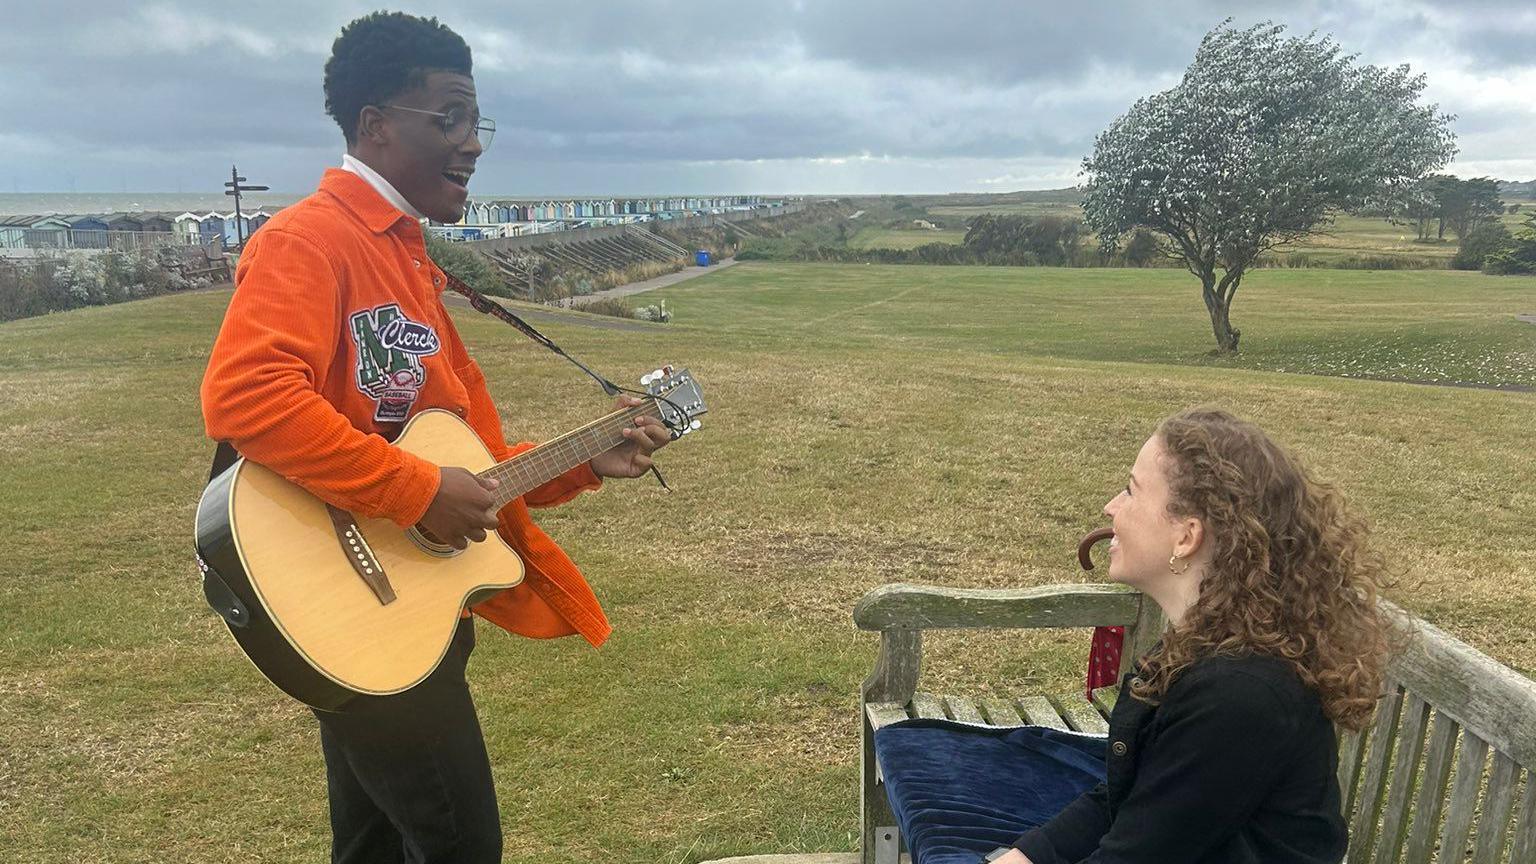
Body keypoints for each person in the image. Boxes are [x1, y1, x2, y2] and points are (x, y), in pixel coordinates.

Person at [199, 12, 672, 863]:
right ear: (376, 126)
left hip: (388, 605)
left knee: (374, 845)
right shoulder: (310, 242)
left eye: (475, 120)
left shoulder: (409, 262)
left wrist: (582, 465)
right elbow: (248, 396)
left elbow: (458, 463)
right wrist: (414, 493)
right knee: (460, 845)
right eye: (448, 118)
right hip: (346, 585)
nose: (473, 143)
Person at [988, 408, 1393, 864]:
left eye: (1130, 491)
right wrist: (1025, 856)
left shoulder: (1239, 694)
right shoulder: (1209, 636)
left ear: (1187, 536)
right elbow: (1131, 800)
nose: (1111, 507)